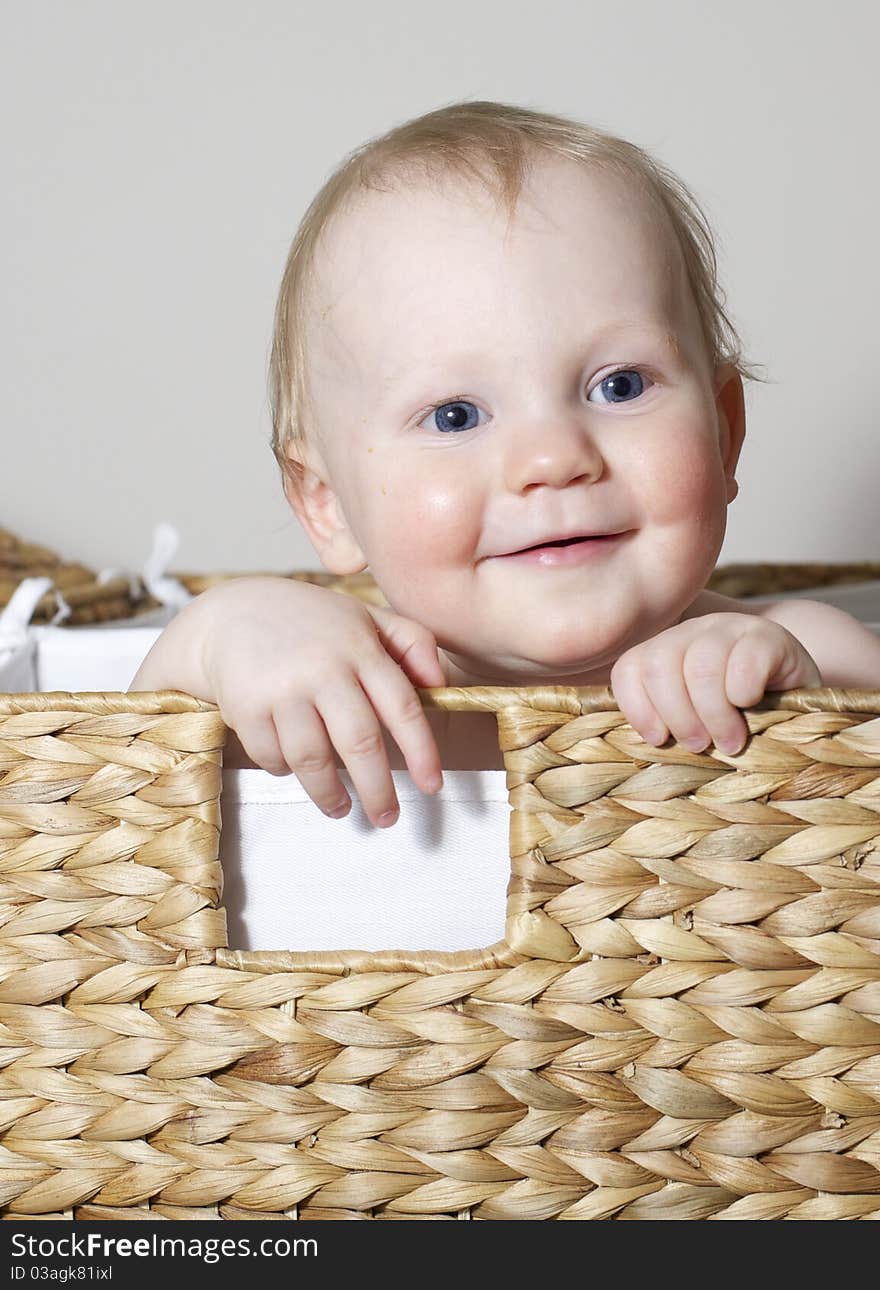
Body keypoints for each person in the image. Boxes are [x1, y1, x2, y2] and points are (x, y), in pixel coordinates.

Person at [129, 100, 880, 833]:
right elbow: (109, 781)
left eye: (619, 385)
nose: (553, 459)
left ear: (724, 433)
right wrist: (224, 629)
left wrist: (790, 707)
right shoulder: (335, 682)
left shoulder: (816, 650)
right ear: (325, 502)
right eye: (456, 415)